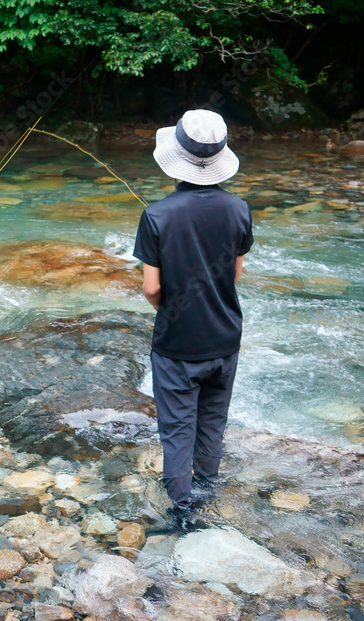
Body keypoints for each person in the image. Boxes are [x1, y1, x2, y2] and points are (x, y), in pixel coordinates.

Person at [131, 109, 253, 528]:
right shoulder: (239, 209)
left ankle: (183, 517)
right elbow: (234, 275)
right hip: (225, 340)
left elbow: (150, 288)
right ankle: (209, 496)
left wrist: (170, 310)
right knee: (212, 424)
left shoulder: (157, 215)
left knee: (177, 430)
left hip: (177, 346)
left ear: (176, 158)